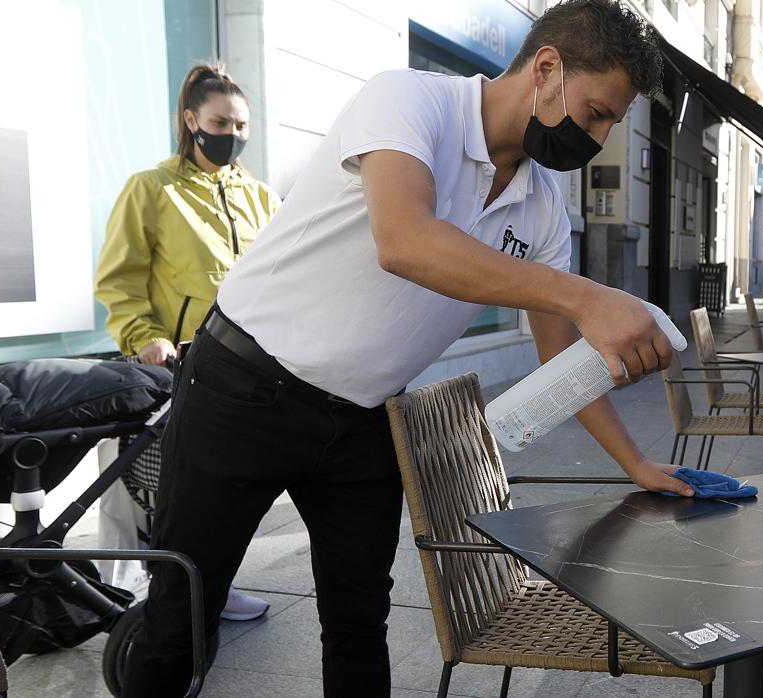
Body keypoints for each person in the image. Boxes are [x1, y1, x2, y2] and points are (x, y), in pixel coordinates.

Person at [121, 2, 695, 696]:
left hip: (362, 419)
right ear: (546, 69)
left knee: (360, 623)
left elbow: (559, 360)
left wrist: (634, 462)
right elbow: (404, 240)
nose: (599, 139)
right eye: (598, 112)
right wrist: (584, 294)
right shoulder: (410, 99)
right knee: (182, 613)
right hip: (242, 388)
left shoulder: (543, 205)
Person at [94, 63, 280, 622]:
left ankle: (211, 590)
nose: (233, 136)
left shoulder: (260, 197)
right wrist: (143, 335)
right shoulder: (151, 189)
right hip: (173, 363)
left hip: (242, 368)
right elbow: (119, 277)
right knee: (155, 488)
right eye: (222, 122)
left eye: (243, 125)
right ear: (191, 119)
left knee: (226, 489)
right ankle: (132, 595)